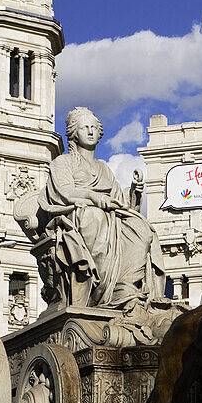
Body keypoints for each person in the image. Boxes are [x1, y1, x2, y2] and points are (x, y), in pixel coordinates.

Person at [39, 107, 165, 309]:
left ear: (99, 133)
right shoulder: (62, 163)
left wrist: (134, 191)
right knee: (94, 217)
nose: (90, 132)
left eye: (93, 128)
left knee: (140, 228)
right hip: (76, 215)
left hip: (110, 217)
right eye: (84, 127)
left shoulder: (104, 169)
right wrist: (92, 196)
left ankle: (125, 285)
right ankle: (100, 291)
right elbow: (62, 192)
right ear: (73, 133)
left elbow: (119, 201)